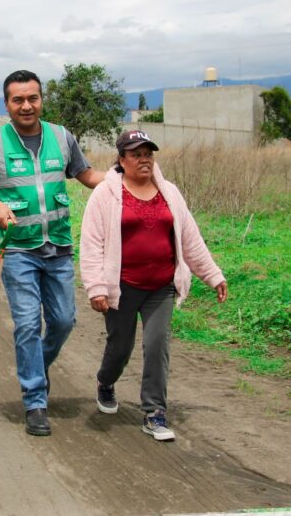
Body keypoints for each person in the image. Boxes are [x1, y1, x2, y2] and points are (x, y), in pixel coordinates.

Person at [0, 70, 104, 436]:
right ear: (7, 104)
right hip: (17, 250)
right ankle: (35, 402)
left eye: (33, 98)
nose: (26, 105)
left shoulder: (62, 137)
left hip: (58, 247)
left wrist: (124, 179)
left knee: (63, 321)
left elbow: (87, 175)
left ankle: (36, 369)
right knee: (28, 324)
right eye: (18, 100)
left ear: (41, 99)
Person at [79, 129, 228, 441]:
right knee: (120, 348)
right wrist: (96, 288)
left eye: (148, 153)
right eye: (136, 154)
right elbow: (91, 244)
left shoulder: (169, 192)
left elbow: (190, 239)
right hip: (121, 285)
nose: (144, 159)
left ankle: (155, 412)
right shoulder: (105, 195)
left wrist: (213, 274)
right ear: (122, 159)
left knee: (157, 344)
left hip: (161, 286)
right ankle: (105, 382)